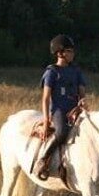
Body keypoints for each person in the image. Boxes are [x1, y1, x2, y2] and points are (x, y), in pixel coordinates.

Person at [37, 34, 86, 180]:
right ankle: (43, 159)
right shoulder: (51, 72)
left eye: (72, 51)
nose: (73, 54)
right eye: (69, 51)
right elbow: (46, 98)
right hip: (59, 111)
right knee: (61, 133)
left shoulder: (76, 71)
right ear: (60, 53)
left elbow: (82, 94)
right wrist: (46, 120)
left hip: (75, 110)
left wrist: (82, 103)